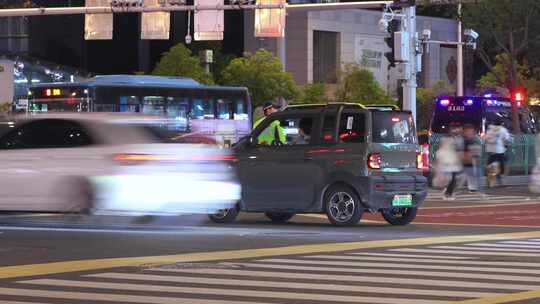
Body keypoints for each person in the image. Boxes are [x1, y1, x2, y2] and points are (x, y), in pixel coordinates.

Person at [485, 117, 511, 187]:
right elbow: (507, 139)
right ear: (502, 123)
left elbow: (486, 138)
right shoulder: (503, 129)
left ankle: (491, 180)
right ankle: (502, 181)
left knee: (491, 165)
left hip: (489, 150)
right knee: (504, 165)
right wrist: (507, 145)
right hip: (499, 150)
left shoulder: (489, 129)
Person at [462, 124, 481, 192]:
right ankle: (449, 189)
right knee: (460, 175)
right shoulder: (463, 139)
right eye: (468, 131)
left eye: (471, 131)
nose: (469, 132)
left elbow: (476, 149)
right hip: (464, 158)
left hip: (470, 159)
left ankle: (472, 187)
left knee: (470, 173)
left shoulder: (474, 139)